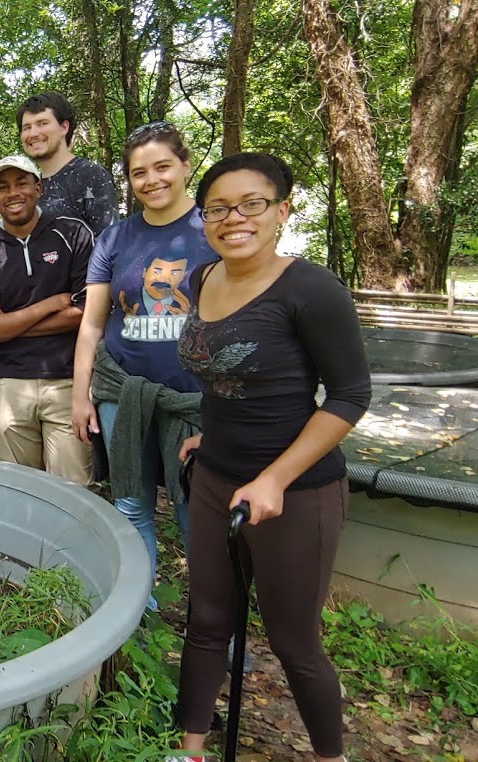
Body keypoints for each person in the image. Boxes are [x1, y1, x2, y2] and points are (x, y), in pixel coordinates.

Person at [169, 153, 368, 762]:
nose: (235, 218)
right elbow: (223, 374)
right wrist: (212, 434)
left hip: (296, 492)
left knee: (294, 642)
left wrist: (275, 478)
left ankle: (330, 756)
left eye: (251, 203)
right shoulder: (202, 279)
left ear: (281, 210)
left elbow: (350, 395)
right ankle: (191, 751)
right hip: (213, 477)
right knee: (206, 622)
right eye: (218, 208)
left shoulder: (311, 289)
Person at [71, 122, 217, 586]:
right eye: (139, 173)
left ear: (186, 166)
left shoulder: (215, 230)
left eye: (162, 167)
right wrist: (81, 396)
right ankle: (139, 613)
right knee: (131, 504)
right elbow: (92, 323)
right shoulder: (114, 239)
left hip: (194, 397)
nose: (152, 180)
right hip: (122, 391)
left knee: (194, 507)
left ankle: (212, 629)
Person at [0, 156, 94, 484]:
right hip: (8, 385)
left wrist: (8, 324)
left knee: (74, 490)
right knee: (20, 490)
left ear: (38, 188)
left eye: (21, 183)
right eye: (2, 187)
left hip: (67, 381)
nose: (12, 193)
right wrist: (50, 304)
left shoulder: (72, 234)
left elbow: (87, 313)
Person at [17, 92, 119, 234]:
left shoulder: (91, 176)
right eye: (27, 127)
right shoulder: (27, 188)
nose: (33, 133)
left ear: (64, 127)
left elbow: (109, 245)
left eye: (42, 123)